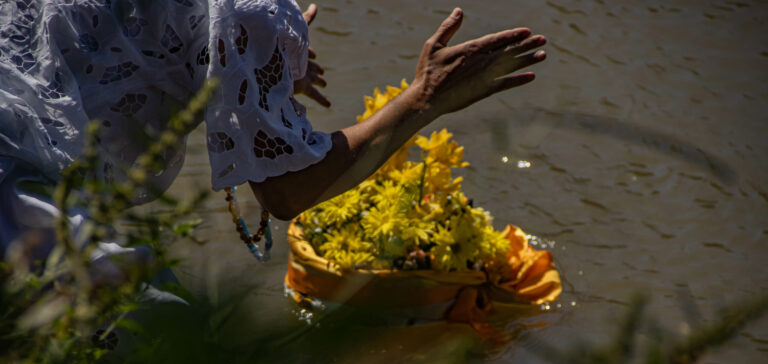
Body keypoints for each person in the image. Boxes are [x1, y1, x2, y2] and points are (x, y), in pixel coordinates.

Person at [0, 0, 546, 271]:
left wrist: (251, 69)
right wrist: (425, 98)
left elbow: (116, 62)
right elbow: (286, 192)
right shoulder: (252, 8)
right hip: (19, 199)